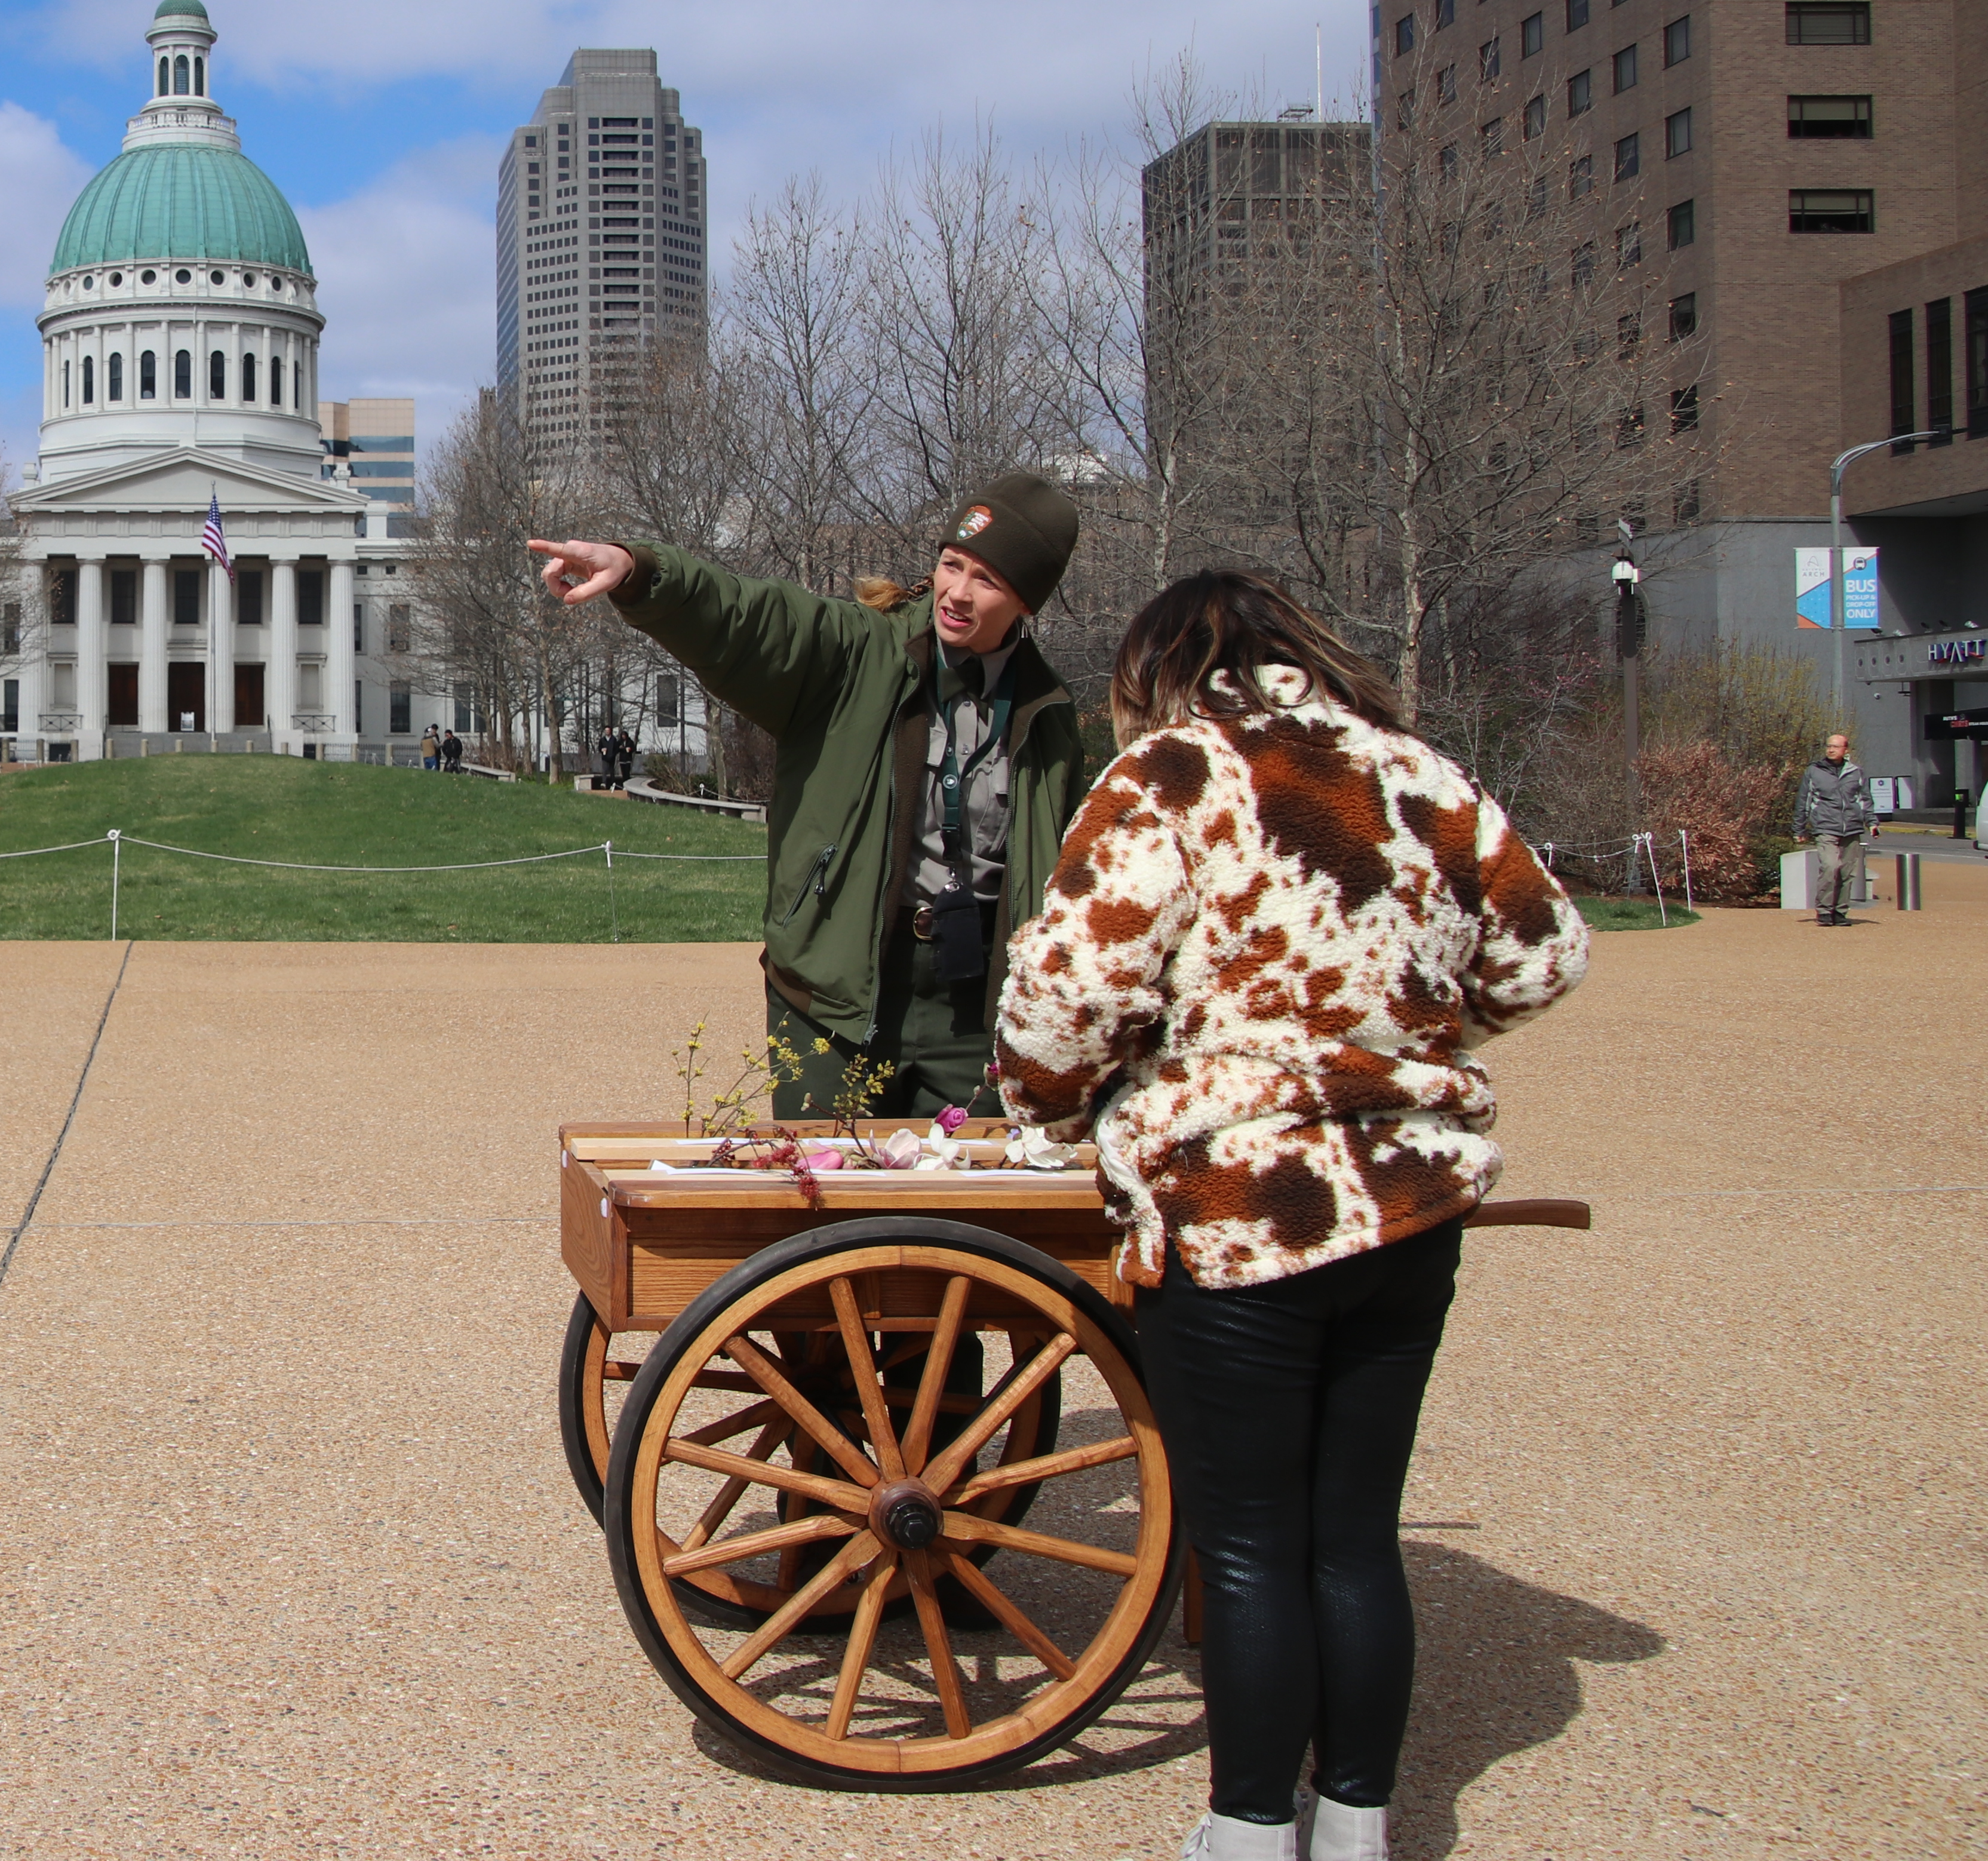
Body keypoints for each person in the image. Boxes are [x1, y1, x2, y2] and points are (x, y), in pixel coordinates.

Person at [993, 569, 1590, 1861]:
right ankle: (1358, 1819)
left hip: (1236, 1198)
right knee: (1355, 1535)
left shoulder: (1174, 775)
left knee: (1252, 1542)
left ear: (1165, 667)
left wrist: (1054, 1105)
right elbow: (1546, 952)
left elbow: (1067, 991)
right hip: (1409, 1198)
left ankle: (1253, 1825)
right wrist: (1415, 1032)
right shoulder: (1423, 777)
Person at [531, 472, 1090, 1120]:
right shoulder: (856, 655)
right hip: (836, 994)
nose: (957, 593)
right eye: (951, 565)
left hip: (976, 1008)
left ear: (1027, 602)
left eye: (986, 580)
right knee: (827, 1196)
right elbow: (748, 618)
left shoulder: (1049, 715)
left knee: (967, 1206)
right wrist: (638, 573)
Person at [1794, 729, 1875, 926]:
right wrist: (1800, 829)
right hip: (1825, 826)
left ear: (1845, 750)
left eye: (1835, 747)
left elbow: (1864, 799)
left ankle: (1840, 912)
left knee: (1847, 872)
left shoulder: (1856, 772)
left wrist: (1872, 823)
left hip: (1852, 828)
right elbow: (1804, 800)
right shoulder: (1815, 771)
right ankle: (1824, 910)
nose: (1831, 750)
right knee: (1831, 867)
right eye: (1829, 746)